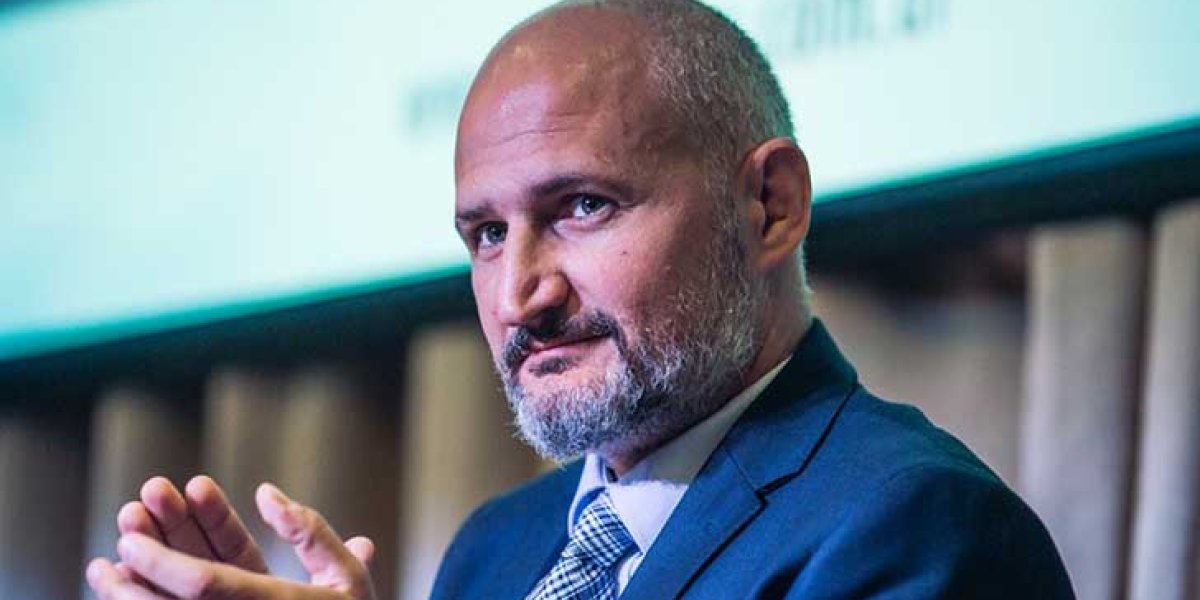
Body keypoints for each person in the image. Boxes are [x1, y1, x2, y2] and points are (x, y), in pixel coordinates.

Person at [86, 1, 1076, 599]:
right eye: (486, 234)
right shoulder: (495, 553)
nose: (521, 293)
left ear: (770, 207)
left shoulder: (914, 527)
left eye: (583, 207)